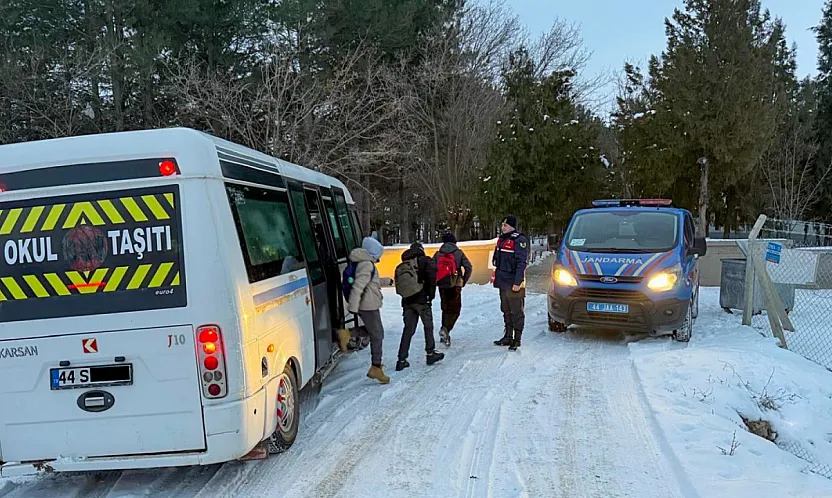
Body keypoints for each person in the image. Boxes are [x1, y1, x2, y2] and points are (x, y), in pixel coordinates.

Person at [337, 236, 389, 384]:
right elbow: (359, 286)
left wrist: (386, 281)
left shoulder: (364, 263)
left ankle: (347, 333)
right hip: (368, 305)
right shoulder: (366, 264)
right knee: (378, 335)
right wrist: (353, 306)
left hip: (369, 303)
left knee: (374, 331)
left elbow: (371, 282)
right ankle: (376, 367)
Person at [395, 242, 445, 371]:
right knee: (428, 326)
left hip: (407, 301)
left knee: (408, 329)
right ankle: (430, 354)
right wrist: (430, 296)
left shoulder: (404, 263)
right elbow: (432, 278)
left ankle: (401, 359)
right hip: (422, 300)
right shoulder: (425, 261)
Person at [492, 215, 529, 351]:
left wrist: (518, 282)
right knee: (506, 310)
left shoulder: (519, 240)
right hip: (502, 281)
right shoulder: (501, 239)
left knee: (516, 311)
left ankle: (517, 339)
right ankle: (507, 336)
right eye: (502, 225)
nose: (503, 227)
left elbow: (521, 263)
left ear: (512, 226)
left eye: (505, 225)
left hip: (513, 282)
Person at [434, 232, 473, 347]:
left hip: (442, 284)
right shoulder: (458, 253)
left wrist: (435, 280)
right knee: (455, 309)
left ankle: (444, 332)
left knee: (445, 308)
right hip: (455, 284)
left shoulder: (438, 254)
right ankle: (446, 329)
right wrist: (463, 280)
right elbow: (468, 267)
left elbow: (431, 267)